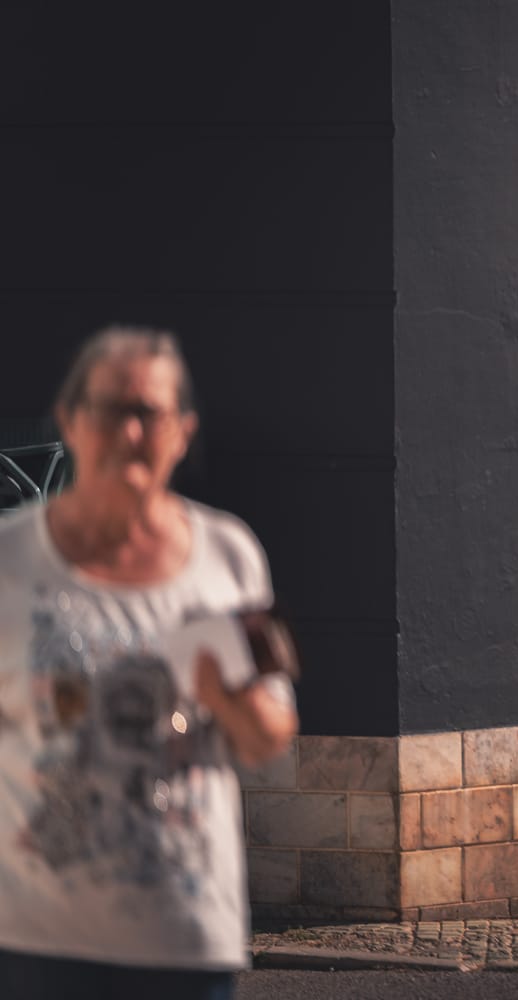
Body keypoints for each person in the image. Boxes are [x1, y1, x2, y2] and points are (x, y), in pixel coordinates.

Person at [0, 326, 298, 999]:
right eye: (110, 411)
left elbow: (273, 734)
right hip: (34, 947)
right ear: (71, 423)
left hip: (185, 945)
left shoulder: (231, 557)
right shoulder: (9, 562)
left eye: (149, 414)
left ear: (181, 433)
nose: (129, 433)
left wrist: (231, 700)